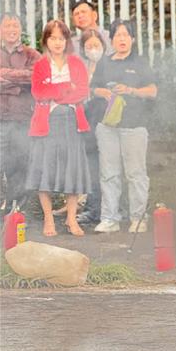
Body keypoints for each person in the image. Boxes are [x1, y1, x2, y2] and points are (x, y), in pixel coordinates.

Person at [91, 20, 157, 233]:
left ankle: (138, 218)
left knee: (136, 173)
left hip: (134, 125)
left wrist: (130, 90)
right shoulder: (104, 62)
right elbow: (93, 89)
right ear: (111, 39)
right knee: (109, 173)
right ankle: (110, 218)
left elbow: (153, 91)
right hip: (107, 125)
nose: (121, 39)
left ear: (133, 39)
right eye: (117, 35)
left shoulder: (140, 62)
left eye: (125, 35)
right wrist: (104, 92)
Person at [26, 20, 91, 237]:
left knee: (73, 170)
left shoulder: (77, 63)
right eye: (52, 38)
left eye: (61, 38)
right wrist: (64, 87)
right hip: (47, 124)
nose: (57, 43)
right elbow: (38, 93)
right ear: (46, 40)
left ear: (66, 41)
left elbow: (82, 92)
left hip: (72, 122)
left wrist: (54, 92)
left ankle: (71, 219)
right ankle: (48, 219)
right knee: (45, 170)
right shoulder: (40, 65)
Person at [0, 12, 41, 212]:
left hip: (22, 118)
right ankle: (2, 206)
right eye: (7, 25)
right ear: (0, 30)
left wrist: (5, 76)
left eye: (15, 25)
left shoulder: (31, 54)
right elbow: (24, 80)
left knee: (19, 164)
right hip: (0, 118)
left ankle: (15, 211)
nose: (11, 29)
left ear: (21, 29)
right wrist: (18, 85)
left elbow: (36, 77)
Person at [75, 28, 106, 226]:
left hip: (105, 120)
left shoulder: (109, 65)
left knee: (109, 167)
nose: (93, 49)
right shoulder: (80, 68)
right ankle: (93, 209)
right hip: (86, 121)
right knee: (92, 166)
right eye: (89, 46)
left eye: (96, 45)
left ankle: (113, 208)